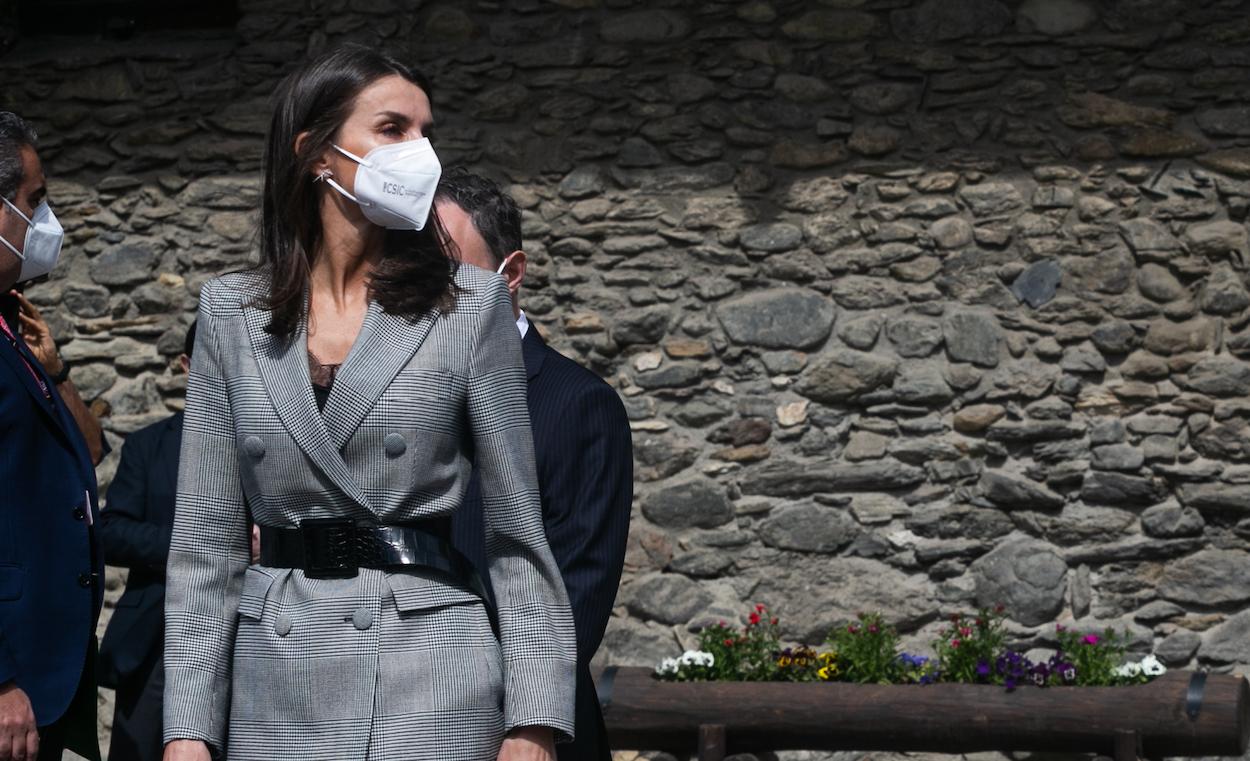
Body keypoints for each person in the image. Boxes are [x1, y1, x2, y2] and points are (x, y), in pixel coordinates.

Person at [162, 45, 575, 761]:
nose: (422, 153)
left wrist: (533, 722)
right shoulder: (230, 313)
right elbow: (204, 551)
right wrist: (188, 731)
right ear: (317, 152)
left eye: (426, 130)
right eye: (393, 129)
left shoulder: (467, 306)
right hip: (276, 685)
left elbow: (516, 536)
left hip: (433, 672)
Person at [440, 171, 633, 761]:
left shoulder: (577, 404)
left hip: (518, 730)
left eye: (443, 264)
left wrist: (528, 724)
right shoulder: (385, 398)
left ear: (511, 274)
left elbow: (578, 591)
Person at [0, 111, 103, 761]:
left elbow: (86, 451)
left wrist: (56, 368)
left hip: (54, 673)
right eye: (34, 201)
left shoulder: (15, 323)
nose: (45, 223)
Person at [98, 321, 197, 761]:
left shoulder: (269, 444)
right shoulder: (147, 446)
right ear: (186, 367)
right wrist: (194, 545)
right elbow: (110, 532)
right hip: (155, 637)